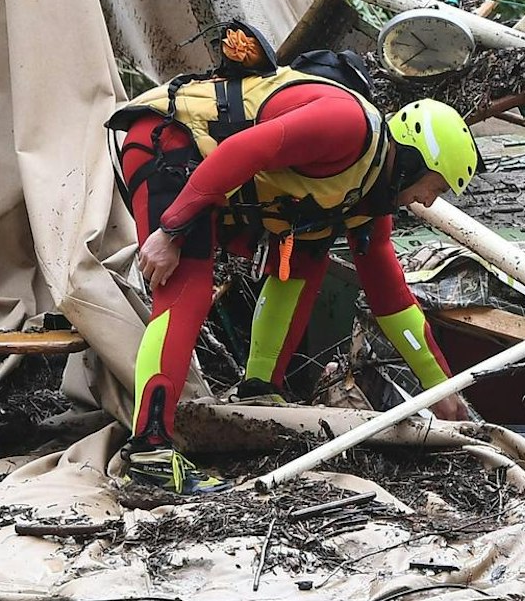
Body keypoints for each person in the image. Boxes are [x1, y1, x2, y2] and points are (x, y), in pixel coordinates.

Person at [107, 27, 481, 494]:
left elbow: (392, 302)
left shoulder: (368, 201)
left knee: (309, 250)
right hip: (170, 142)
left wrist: (443, 397)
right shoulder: (349, 124)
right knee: (187, 288)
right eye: (436, 187)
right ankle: (151, 453)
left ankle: (260, 387)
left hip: (216, 176)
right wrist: (172, 229)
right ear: (412, 159)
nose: (428, 202)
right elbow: (244, 148)